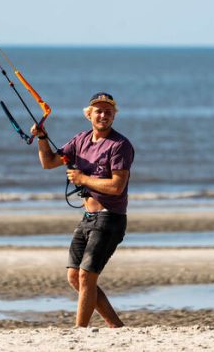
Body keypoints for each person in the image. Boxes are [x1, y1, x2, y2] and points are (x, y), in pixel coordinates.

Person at [30, 91, 135, 328]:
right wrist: (42, 138)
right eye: (98, 111)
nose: (103, 115)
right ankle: (117, 327)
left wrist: (83, 178)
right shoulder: (80, 140)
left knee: (87, 275)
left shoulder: (120, 146)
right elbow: (48, 163)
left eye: (108, 111)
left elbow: (117, 187)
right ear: (89, 115)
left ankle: (80, 332)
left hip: (110, 218)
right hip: (88, 217)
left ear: (114, 116)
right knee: (74, 277)